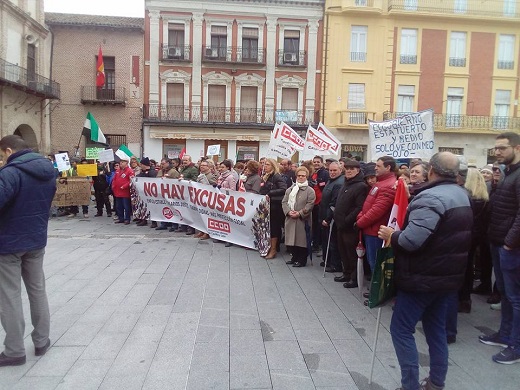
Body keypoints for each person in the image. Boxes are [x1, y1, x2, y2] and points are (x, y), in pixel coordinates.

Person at [378, 151, 473, 390]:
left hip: (422, 277)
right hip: (446, 277)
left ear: (431, 170)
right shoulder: (461, 194)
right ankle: (436, 382)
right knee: (435, 330)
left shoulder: (430, 198)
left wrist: (392, 235)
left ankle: (410, 385)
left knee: (401, 330)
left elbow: (411, 241)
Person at [0, 135, 57, 366]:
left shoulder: (10, 173)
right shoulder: (48, 170)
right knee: (37, 290)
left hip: (8, 242)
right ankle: (42, 340)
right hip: (35, 239)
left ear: (9, 150)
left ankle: (14, 350)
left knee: (9, 295)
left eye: (2, 154)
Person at [479, 132, 520, 364]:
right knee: (505, 294)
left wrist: (509, 242)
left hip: (511, 246)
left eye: (502, 148)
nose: (497, 152)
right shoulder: (507, 174)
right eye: (495, 148)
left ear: (517, 148)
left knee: (515, 298)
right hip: (498, 241)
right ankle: (504, 335)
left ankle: (515, 344)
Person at [356, 156, 397, 273]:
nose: (375, 168)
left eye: (378, 166)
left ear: (388, 167)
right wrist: (360, 216)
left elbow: (377, 211)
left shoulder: (389, 185)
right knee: (372, 261)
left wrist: (360, 222)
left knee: (376, 264)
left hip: (376, 231)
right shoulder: (381, 183)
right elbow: (368, 205)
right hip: (370, 229)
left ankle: (377, 291)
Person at [333, 160, 368, 288]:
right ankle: (346, 273)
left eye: (352, 169)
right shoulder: (346, 183)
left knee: (352, 253)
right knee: (343, 251)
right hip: (340, 225)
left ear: (358, 170)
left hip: (350, 226)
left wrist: (347, 220)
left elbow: (359, 207)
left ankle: (355, 278)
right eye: (347, 168)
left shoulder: (360, 186)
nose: (348, 171)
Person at [282, 166, 315, 267]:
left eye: (303, 176)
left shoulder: (310, 191)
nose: (301, 177)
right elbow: (284, 202)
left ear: (306, 177)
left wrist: (299, 213)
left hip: (302, 220)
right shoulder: (290, 189)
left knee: (302, 241)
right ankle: (294, 257)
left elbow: (310, 204)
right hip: (290, 219)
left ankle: (302, 260)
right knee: (291, 240)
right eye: (299, 175)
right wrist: (288, 212)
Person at [259, 158, 287, 259]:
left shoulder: (277, 176)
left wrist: (270, 193)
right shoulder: (266, 177)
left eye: (267, 165)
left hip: (275, 206)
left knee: (274, 228)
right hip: (267, 206)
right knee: (269, 227)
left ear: (273, 166)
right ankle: (270, 247)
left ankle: (274, 249)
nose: (265, 166)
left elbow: (284, 189)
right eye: (264, 165)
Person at [319, 161, 345, 273]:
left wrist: (328, 218)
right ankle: (327, 260)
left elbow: (334, 203)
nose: (332, 172)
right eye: (330, 170)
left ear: (340, 170)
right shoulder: (331, 181)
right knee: (326, 240)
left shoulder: (339, 183)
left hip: (331, 218)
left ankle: (335, 264)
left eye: (335, 170)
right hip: (324, 214)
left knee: (333, 242)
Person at [311, 156, 329, 252]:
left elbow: (325, 186)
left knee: (318, 225)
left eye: (318, 162)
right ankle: (315, 243)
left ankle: (318, 245)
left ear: (322, 163)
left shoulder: (325, 173)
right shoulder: (313, 173)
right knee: (314, 225)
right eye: (314, 162)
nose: (316, 163)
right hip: (313, 202)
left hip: (320, 203)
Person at [135, 157, 157, 226]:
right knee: (143, 206)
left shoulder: (152, 172)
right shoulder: (143, 171)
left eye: (141, 164)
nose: (140, 166)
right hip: (143, 192)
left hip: (150, 193)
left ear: (144, 165)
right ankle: (144, 219)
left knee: (152, 208)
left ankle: (154, 222)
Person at [112, 157, 134, 224]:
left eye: (122, 162)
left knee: (126, 206)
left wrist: (124, 186)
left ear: (126, 163)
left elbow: (131, 180)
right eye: (120, 162)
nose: (121, 163)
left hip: (125, 192)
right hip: (118, 191)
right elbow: (114, 179)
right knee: (119, 206)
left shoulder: (129, 171)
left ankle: (127, 219)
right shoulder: (118, 171)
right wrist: (113, 186)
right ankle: (121, 218)